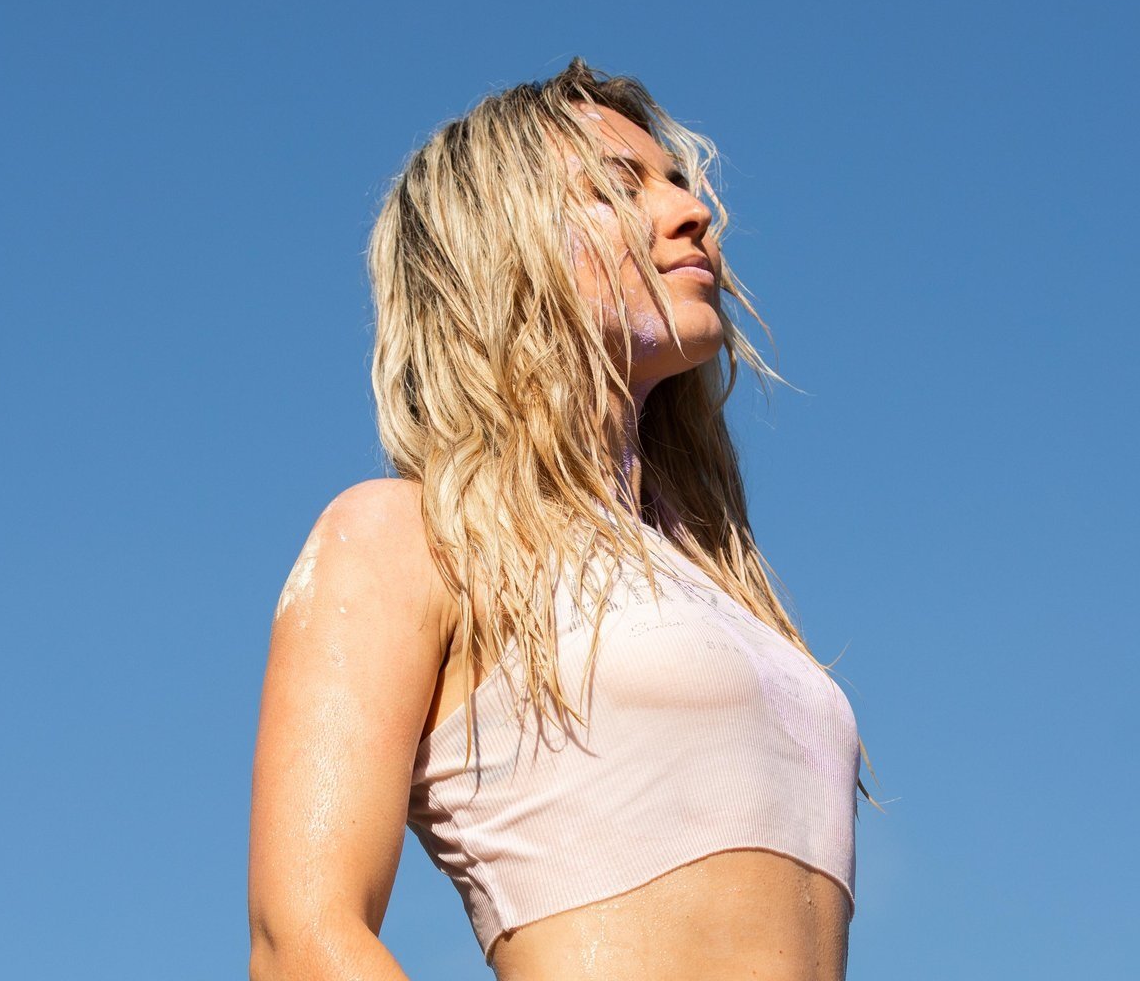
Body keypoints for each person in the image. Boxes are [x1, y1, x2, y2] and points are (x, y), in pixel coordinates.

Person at [247, 60, 861, 980]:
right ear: (503, 247)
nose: (692, 212)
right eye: (619, 187)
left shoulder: (713, 584)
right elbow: (301, 940)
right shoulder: (409, 537)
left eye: (677, 181)